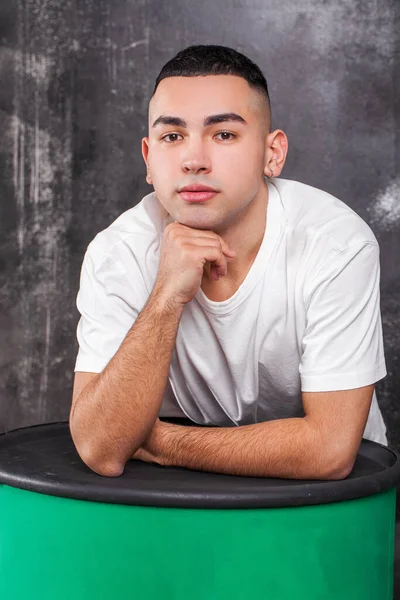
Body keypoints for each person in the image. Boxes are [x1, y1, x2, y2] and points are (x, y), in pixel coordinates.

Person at [69, 44, 388, 479]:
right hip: (187, 497)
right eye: (172, 136)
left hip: (328, 504)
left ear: (272, 153)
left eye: (223, 134)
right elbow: (100, 448)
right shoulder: (118, 252)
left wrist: (154, 440)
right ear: (149, 159)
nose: (194, 160)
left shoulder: (335, 244)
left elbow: (329, 451)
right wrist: (165, 296)